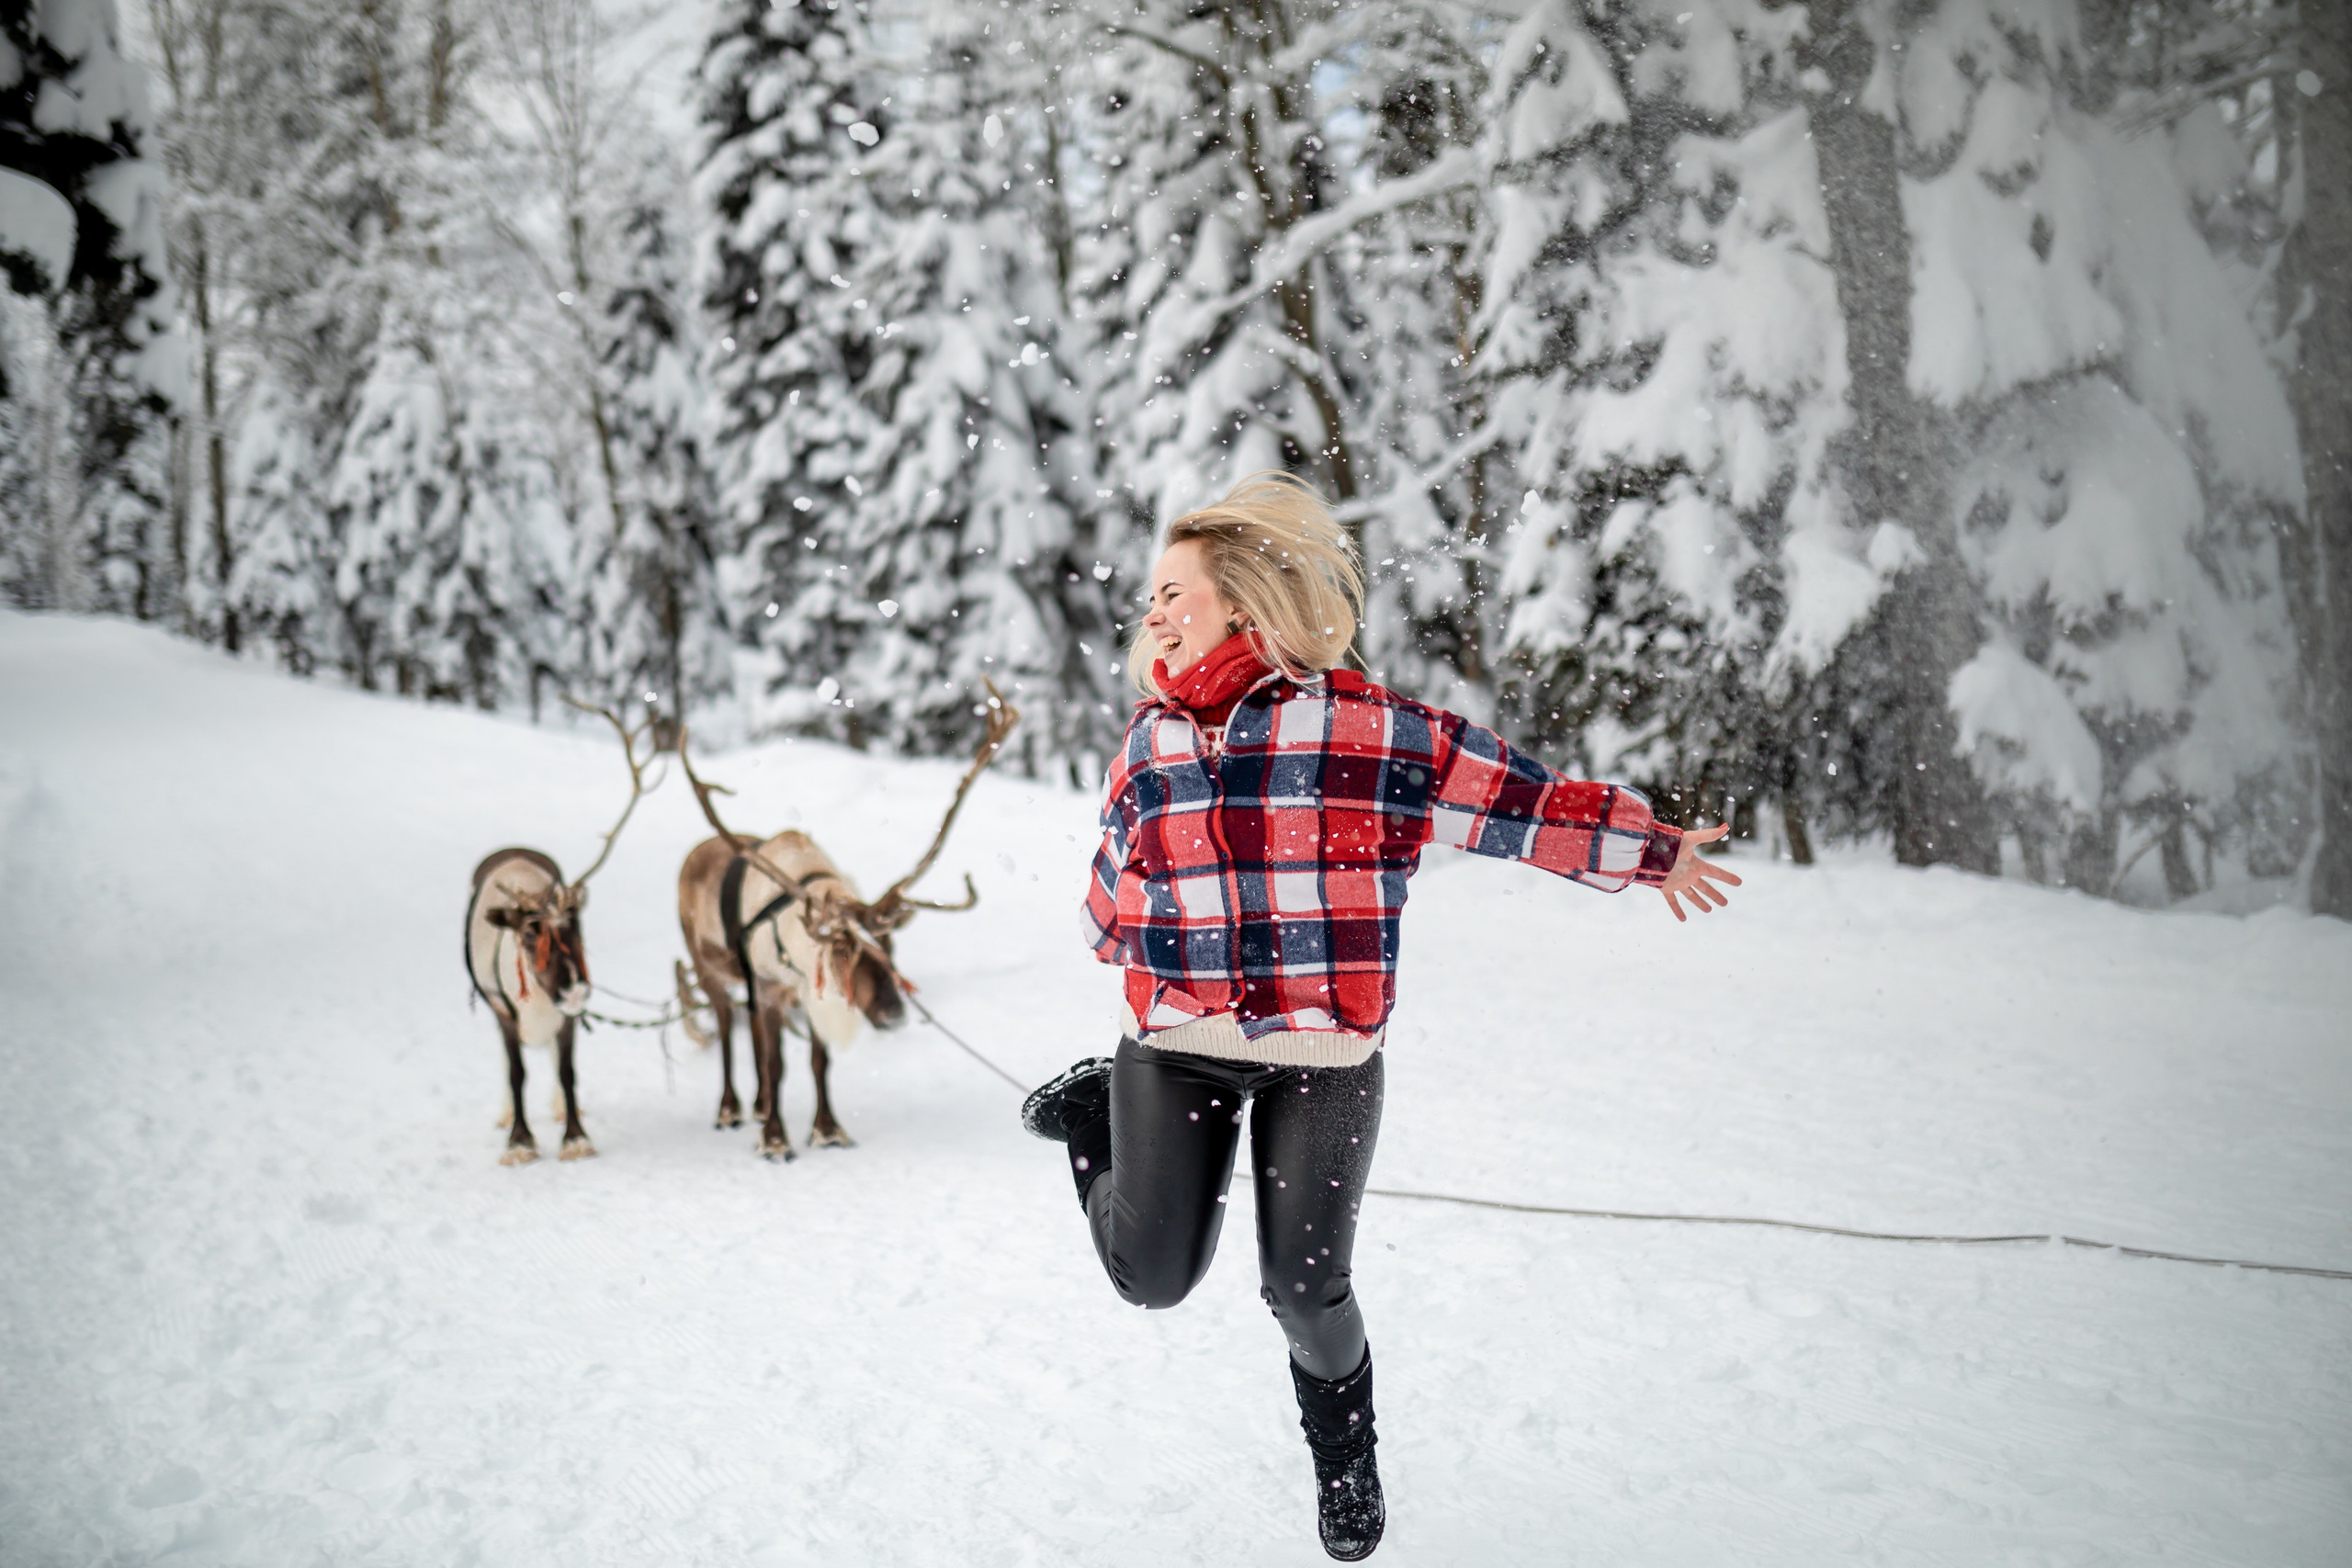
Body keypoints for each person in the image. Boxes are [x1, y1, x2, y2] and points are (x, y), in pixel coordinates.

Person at [1022, 473, 1741, 1561]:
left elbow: (1522, 805)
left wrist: (1649, 851)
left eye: (1176, 591)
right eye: (1152, 598)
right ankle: (1093, 1124)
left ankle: (1344, 1463)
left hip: (1327, 1056)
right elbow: (1112, 898)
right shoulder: (1146, 745)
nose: (1154, 612)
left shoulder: (1371, 730)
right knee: (1152, 1279)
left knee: (1306, 1289)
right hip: (1173, 1050)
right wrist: (1132, 950)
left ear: (1250, 600)